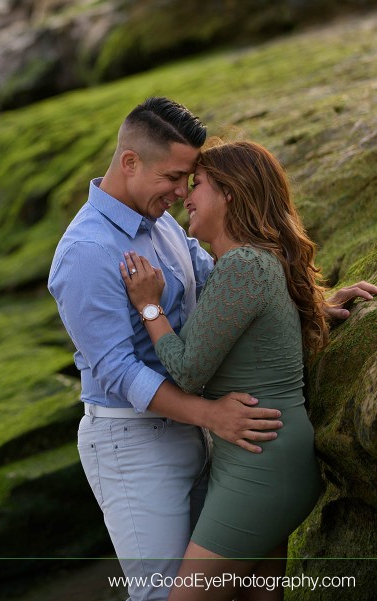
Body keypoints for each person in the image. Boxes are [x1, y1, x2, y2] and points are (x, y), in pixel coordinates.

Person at [47, 97, 375, 601]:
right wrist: (208, 414)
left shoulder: (165, 228)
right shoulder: (86, 252)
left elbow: (224, 295)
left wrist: (313, 304)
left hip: (214, 434)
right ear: (130, 162)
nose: (181, 193)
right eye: (174, 177)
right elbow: (115, 369)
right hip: (136, 444)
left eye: (190, 181)